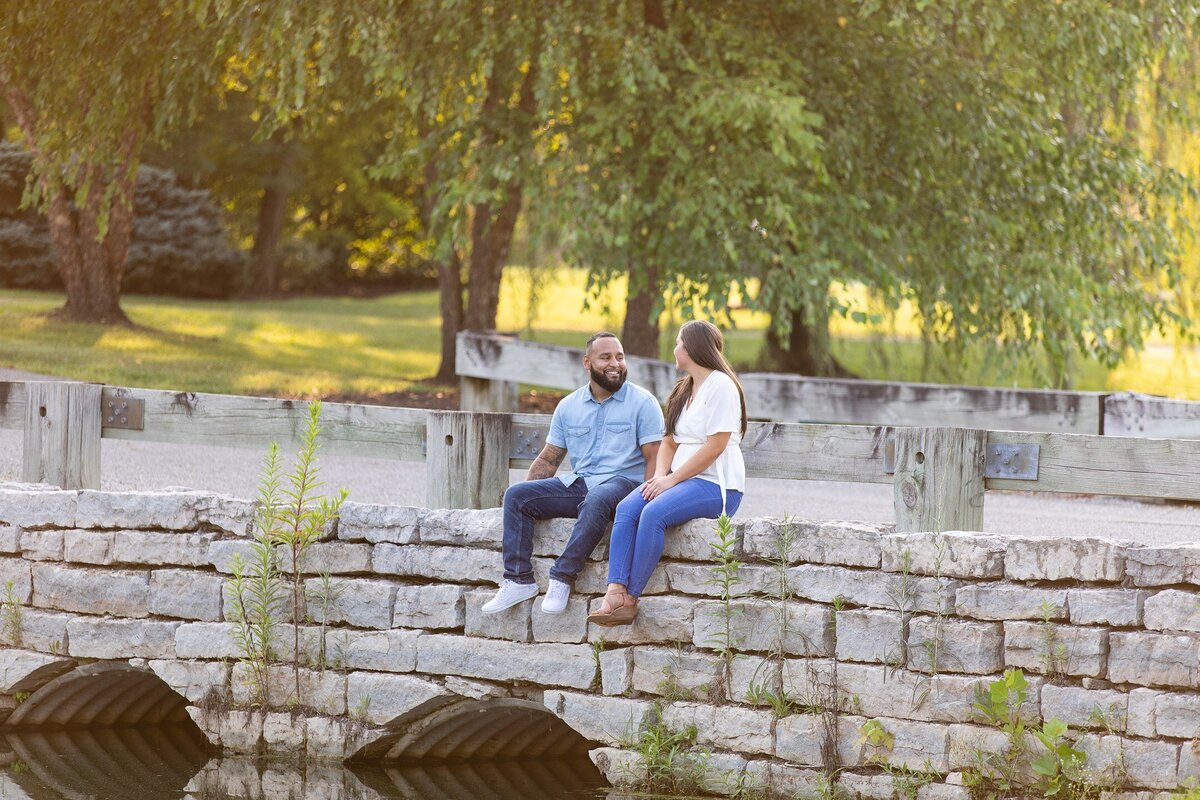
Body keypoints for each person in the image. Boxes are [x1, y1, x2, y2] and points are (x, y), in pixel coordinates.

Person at [481, 332, 665, 616]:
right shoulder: (568, 406)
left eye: (620, 356)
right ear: (587, 362)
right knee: (517, 496)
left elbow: (655, 458)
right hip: (580, 484)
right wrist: (519, 508)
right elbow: (549, 459)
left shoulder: (643, 402)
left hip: (624, 485)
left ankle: (562, 577)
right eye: (605, 357)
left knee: (598, 497)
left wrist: (648, 501)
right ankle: (518, 580)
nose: (615, 363)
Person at [587, 320, 747, 626]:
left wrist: (672, 480)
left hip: (716, 486)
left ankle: (631, 599)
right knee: (626, 508)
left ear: (692, 348)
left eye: (678, 343)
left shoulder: (722, 387)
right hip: (678, 480)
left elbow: (715, 446)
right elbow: (669, 441)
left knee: (653, 514)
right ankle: (615, 592)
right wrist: (659, 475)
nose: (674, 349)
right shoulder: (685, 389)